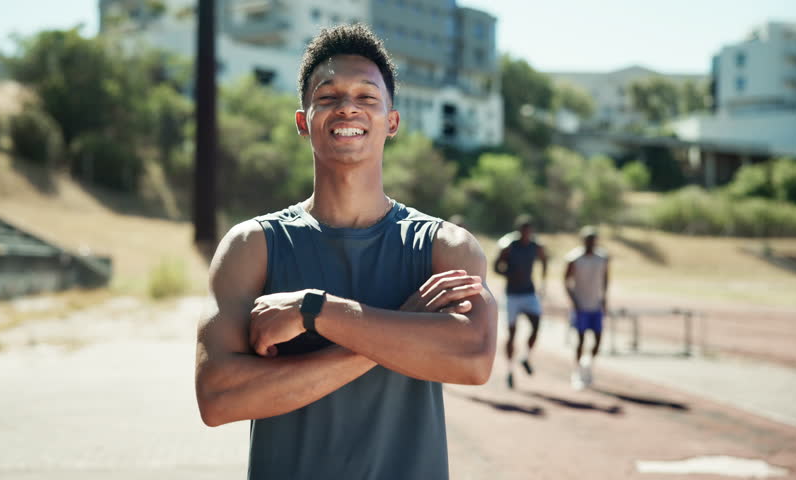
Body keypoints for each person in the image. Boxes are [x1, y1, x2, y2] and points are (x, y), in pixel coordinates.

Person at [194, 24, 497, 480]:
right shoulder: (251, 245)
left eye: (367, 96)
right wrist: (398, 330)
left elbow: (474, 359)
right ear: (304, 121)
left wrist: (315, 310)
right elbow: (216, 399)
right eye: (329, 95)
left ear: (391, 121)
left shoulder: (443, 247)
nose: (348, 106)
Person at [493, 214, 547, 388]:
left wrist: (543, 282)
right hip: (512, 294)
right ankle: (509, 370)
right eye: (524, 231)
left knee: (537, 324)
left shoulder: (535, 246)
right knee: (512, 333)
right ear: (519, 231)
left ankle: (526, 357)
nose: (526, 234)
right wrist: (509, 274)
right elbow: (496, 266)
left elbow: (544, 260)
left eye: (529, 231)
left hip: (529, 292)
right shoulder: (509, 246)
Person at [563, 226, 610, 389]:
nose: (591, 243)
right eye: (588, 240)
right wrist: (574, 301)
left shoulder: (602, 258)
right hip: (581, 305)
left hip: (595, 305)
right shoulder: (574, 258)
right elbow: (566, 281)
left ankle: (587, 364)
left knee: (598, 338)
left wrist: (604, 299)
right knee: (581, 339)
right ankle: (577, 371)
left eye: (593, 240)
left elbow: (605, 279)